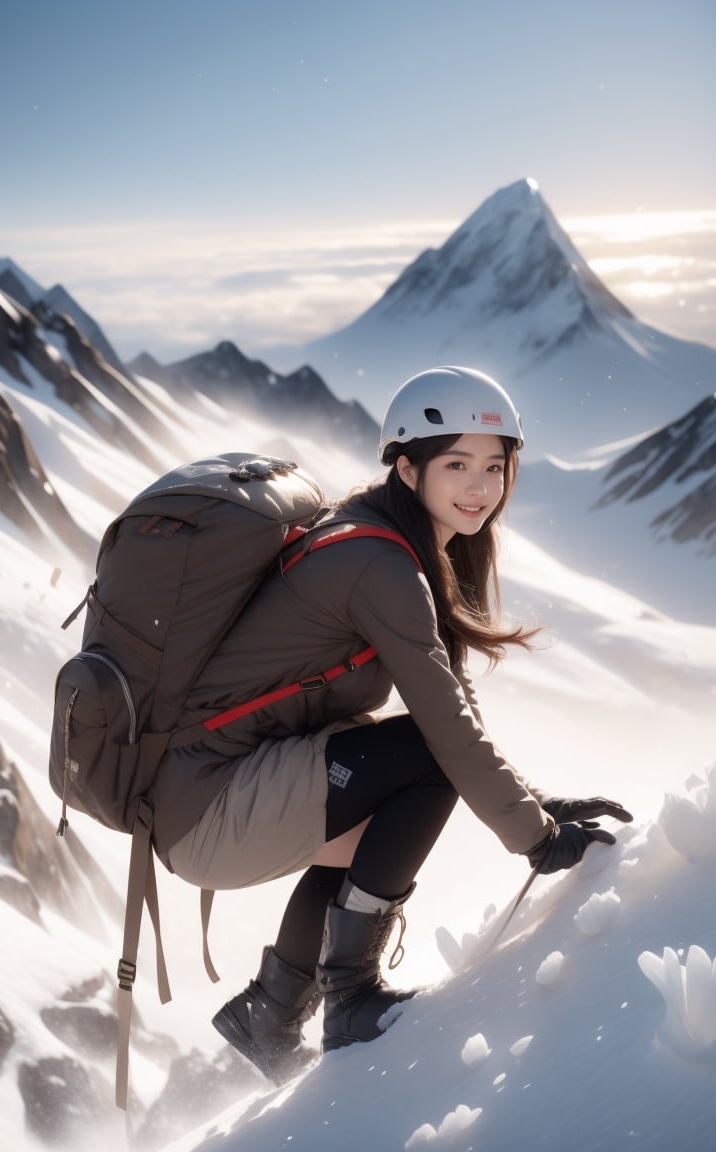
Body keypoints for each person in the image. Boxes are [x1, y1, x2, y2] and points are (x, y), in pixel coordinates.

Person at [148, 365, 633, 1084]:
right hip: (213, 806)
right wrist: (535, 837)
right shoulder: (380, 565)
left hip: (215, 789)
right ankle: (349, 996)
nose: (480, 487)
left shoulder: (394, 541)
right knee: (424, 756)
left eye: (495, 468)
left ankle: (273, 1010)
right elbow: (444, 726)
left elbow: (453, 705)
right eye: (457, 465)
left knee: (409, 767)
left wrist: (537, 804)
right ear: (407, 468)